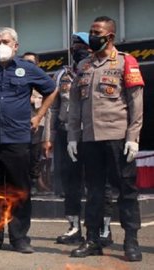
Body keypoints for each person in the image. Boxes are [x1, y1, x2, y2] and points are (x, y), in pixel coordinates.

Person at [0, 27, 57, 254]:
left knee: (19, 190)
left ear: (16, 46)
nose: (1, 46)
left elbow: (51, 89)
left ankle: (20, 239)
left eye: (5, 41)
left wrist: (39, 116)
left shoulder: (28, 69)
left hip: (17, 140)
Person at [67, 16, 144, 261]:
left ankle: (131, 241)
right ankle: (92, 240)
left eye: (96, 31)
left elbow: (136, 104)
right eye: (91, 31)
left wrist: (133, 137)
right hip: (90, 140)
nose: (92, 35)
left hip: (118, 138)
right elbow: (75, 106)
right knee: (94, 193)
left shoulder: (125, 62)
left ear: (109, 36)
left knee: (126, 191)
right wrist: (72, 137)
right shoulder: (83, 67)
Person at [45, 32, 114, 246]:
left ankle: (104, 229)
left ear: (91, 48)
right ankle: (74, 227)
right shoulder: (61, 74)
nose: (76, 49)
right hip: (67, 135)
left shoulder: (100, 69)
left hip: (94, 135)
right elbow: (53, 109)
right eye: (74, 46)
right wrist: (48, 138)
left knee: (100, 184)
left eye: (81, 46)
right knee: (71, 183)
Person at [21, 52, 51, 194]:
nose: (27, 65)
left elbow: (48, 104)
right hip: (19, 124)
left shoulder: (42, 80)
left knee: (35, 156)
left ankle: (34, 183)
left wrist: (48, 137)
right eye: (25, 61)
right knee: (21, 156)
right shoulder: (18, 78)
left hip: (37, 123)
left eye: (31, 62)